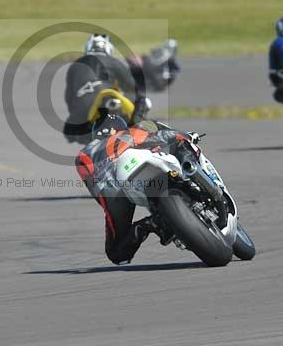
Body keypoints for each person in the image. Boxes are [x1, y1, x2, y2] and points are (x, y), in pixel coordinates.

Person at [75, 114, 199, 265]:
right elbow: (162, 135)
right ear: (119, 127)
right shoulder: (128, 132)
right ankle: (190, 171)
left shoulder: (84, 154)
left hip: (113, 190)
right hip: (141, 166)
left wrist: (111, 206)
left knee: (116, 254)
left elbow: (96, 191)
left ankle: (147, 225)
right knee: (179, 142)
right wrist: (186, 136)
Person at [62, 34, 150, 144]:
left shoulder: (75, 64)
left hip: (84, 107)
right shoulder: (114, 61)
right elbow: (132, 86)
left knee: (69, 131)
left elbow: (69, 98)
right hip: (109, 100)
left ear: (88, 48)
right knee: (142, 99)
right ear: (108, 48)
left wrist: (76, 115)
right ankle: (139, 130)